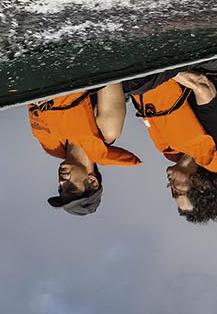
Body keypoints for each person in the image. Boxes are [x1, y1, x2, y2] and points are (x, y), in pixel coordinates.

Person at [132, 70, 217, 223]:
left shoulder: (168, 148)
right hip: (186, 64)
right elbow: (202, 86)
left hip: (140, 78)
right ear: (198, 184)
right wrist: (160, 72)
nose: (169, 188)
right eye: (177, 192)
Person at [28, 85, 140, 217]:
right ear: (92, 181)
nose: (61, 182)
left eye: (61, 189)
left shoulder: (51, 145)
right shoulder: (107, 130)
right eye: (71, 188)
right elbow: (110, 74)